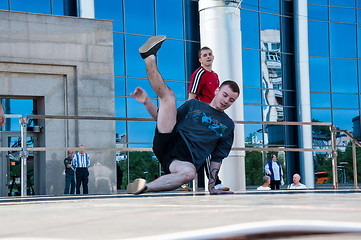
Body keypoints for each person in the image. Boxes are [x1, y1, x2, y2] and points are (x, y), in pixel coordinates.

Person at [127, 35, 239, 195]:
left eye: (231, 100)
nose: (226, 101)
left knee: (190, 174)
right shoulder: (194, 105)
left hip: (181, 161)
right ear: (217, 91)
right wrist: (148, 103)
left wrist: (212, 186)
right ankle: (149, 57)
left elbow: (217, 158)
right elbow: (165, 118)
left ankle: (144, 187)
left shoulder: (227, 126)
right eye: (225, 95)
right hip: (169, 139)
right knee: (169, 97)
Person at [185, 46, 229, 192]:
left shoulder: (215, 76)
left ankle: (181, 176)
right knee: (209, 147)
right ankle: (215, 182)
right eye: (205, 55)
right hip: (202, 117)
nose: (208, 57)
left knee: (205, 149)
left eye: (210, 54)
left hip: (214, 117)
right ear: (200, 59)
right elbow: (191, 98)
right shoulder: (199, 74)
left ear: (213, 57)